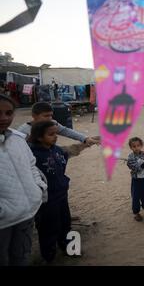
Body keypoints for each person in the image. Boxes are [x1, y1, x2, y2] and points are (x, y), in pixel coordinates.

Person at [28, 120, 88, 263]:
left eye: (56, 133)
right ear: (39, 137)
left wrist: (86, 143)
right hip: (46, 200)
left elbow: (66, 158)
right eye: (51, 134)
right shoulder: (32, 155)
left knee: (65, 223)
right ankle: (49, 256)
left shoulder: (57, 150)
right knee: (48, 228)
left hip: (62, 195)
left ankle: (70, 248)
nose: (55, 137)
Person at [0, 94, 47, 266]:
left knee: (21, 257)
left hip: (27, 214)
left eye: (8, 112)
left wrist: (38, 189)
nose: (4, 118)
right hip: (3, 221)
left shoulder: (18, 139)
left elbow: (32, 165)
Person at [16, 101, 99, 146]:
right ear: (34, 115)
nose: (49, 118)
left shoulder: (52, 124)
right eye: (46, 116)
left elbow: (66, 131)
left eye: (51, 115)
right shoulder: (23, 132)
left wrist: (85, 138)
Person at [126, 137, 144, 222]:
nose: (136, 147)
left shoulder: (143, 154)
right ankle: (136, 213)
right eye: (134, 146)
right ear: (131, 147)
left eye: (138, 145)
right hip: (136, 180)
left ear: (141, 145)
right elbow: (136, 168)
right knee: (136, 196)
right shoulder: (130, 157)